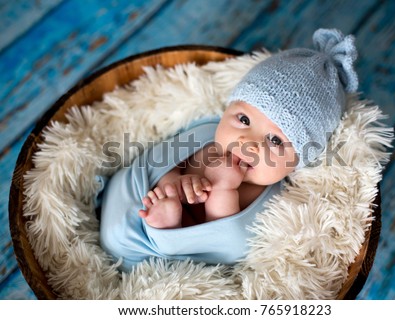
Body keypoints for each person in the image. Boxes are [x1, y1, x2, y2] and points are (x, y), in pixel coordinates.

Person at [99, 28, 358, 271]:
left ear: (299, 160)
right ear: (227, 110)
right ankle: (164, 213)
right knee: (161, 175)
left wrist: (223, 189)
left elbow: (223, 242)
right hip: (130, 209)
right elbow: (163, 155)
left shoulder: (277, 200)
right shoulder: (207, 135)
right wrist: (173, 183)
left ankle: (167, 227)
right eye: (243, 120)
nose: (248, 143)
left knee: (217, 243)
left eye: (276, 141)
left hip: (156, 257)